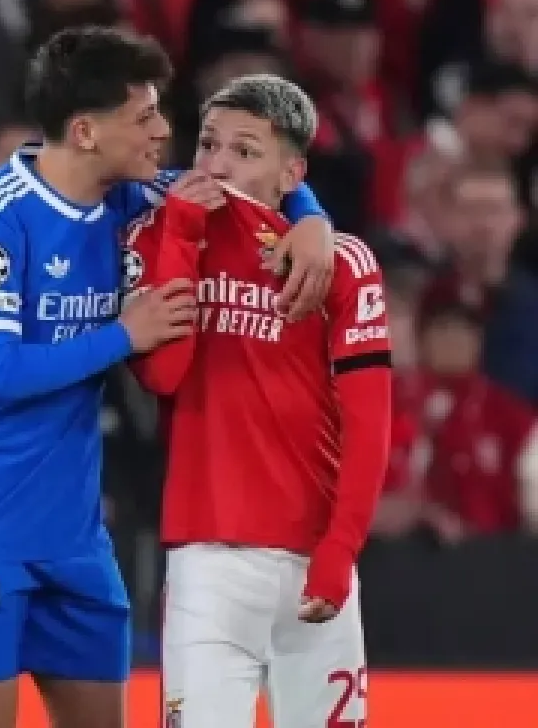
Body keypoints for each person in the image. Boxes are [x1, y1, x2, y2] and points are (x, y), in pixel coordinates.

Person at [0, 26, 335, 728]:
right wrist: (125, 334)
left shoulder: (132, 198)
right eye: (144, 116)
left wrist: (313, 222)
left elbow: (244, 192)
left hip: (73, 532)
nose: (164, 131)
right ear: (85, 131)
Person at [125, 74, 393, 728]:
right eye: (208, 144)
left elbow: (370, 423)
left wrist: (341, 549)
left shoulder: (342, 263)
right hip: (206, 562)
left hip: (312, 554)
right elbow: (163, 375)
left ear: (291, 173)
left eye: (244, 152)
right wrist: (182, 238)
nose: (216, 165)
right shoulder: (155, 234)